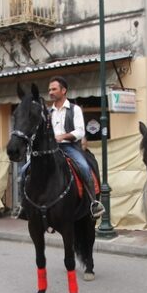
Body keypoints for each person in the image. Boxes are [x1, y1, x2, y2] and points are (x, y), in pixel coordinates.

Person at [48, 76, 104, 218]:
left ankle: (93, 203)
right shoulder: (49, 112)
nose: (50, 92)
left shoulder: (75, 109)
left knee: (85, 167)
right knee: (26, 169)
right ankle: (26, 206)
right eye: (49, 89)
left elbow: (80, 132)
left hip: (70, 147)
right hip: (51, 149)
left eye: (54, 89)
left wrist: (62, 136)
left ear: (63, 90)